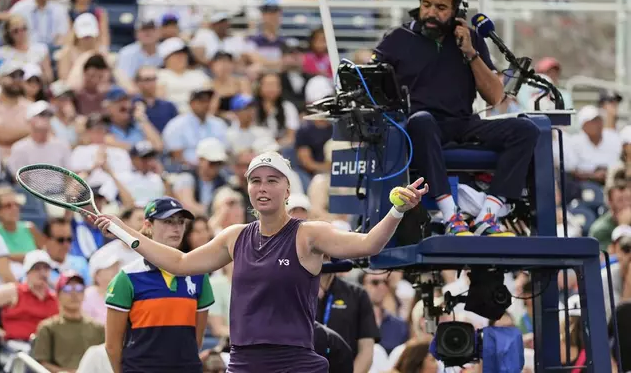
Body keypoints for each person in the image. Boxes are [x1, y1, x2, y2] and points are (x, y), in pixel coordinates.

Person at [94, 151, 428, 372]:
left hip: (295, 363)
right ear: (248, 189)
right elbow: (181, 263)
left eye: (272, 180)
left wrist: (397, 210)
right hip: (243, 364)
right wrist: (124, 231)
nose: (263, 187)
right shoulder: (235, 235)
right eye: (256, 180)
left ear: (287, 189)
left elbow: (369, 244)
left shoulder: (309, 233)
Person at [371, 0, 539, 236]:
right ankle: (451, 217)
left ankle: (489, 215)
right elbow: (370, 83)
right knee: (422, 121)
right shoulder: (397, 39)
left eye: (441, 7)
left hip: (462, 123)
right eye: (426, 4)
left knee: (526, 130)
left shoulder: (470, 39)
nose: (431, 13)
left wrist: (470, 52)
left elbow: (495, 96)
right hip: (419, 128)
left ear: (457, 10)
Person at [104, 197, 215, 373]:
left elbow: (196, 340)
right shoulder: (127, 277)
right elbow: (112, 346)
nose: (176, 228)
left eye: (180, 222)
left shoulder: (199, 275)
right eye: (168, 222)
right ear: (148, 225)